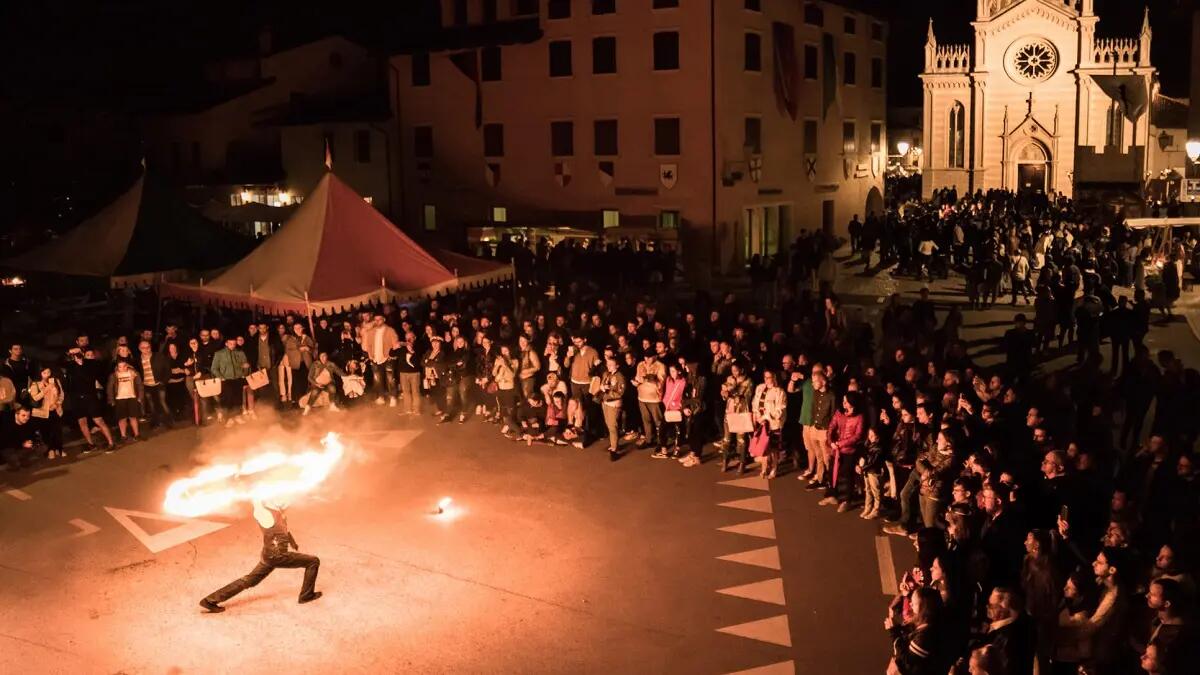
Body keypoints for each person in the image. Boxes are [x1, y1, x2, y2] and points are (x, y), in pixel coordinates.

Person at [199, 497, 321, 612]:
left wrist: (293, 543)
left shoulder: (278, 512)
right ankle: (306, 596)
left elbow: (284, 530)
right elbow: (257, 499)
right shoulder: (265, 514)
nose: (287, 502)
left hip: (269, 555)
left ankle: (210, 600)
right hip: (278, 556)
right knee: (313, 561)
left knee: (250, 581)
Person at [64, 347, 114, 451]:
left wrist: (81, 362)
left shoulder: (91, 365)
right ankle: (90, 444)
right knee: (82, 422)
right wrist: (70, 352)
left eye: (80, 355)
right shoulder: (71, 366)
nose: (77, 357)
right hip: (76, 398)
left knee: (99, 420)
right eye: (75, 355)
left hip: (90, 397)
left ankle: (111, 443)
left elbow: (90, 374)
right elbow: (60, 361)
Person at [750, 369, 786, 479]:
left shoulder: (779, 392)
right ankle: (764, 468)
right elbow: (754, 403)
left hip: (773, 424)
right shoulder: (760, 388)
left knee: (774, 448)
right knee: (763, 446)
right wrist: (757, 416)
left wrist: (766, 416)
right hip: (761, 422)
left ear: (774, 378)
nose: (766, 380)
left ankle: (774, 469)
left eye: (769, 377)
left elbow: (780, 409)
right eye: (765, 377)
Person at [361, 313, 399, 407]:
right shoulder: (371, 332)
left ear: (384, 319)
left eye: (380, 319)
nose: (378, 321)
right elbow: (368, 345)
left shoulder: (390, 330)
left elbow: (395, 344)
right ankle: (381, 397)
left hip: (387, 358)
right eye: (376, 319)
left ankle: (393, 397)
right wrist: (370, 355)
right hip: (375, 359)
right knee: (377, 380)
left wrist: (392, 353)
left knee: (390, 379)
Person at [210, 337, 249, 427]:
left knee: (238, 398)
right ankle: (229, 418)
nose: (232, 345)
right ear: (226, 343)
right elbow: (214, 368)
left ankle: (237, 416)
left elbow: (245, 365)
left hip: (238, 379)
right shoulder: (219, 354)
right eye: (230, 343)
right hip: (226, 379)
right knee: (228, 399)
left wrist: (244, 372)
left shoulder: (240, 353)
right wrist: (221, 377)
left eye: (234, 344)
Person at [28, 367, 65, 460]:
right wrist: (46, 389)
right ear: (40, 373)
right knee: (47, 432)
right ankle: (50, 450)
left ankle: (59, 449)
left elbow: (61, 394)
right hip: (42, 412)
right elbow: (36, 398)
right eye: (44, 372)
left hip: (55, 409)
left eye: (48, 372)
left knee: (57, 431)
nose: (47, 374)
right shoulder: (35, 384)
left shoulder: (55, 381)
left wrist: (58, 404)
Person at [136, 340, 172, 428]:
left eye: (148, 347)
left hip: (159, 383)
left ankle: (169, 421)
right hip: (147, 385)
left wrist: (163, 381)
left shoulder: (159, 356)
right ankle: (155, 422)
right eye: (143, 348)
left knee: (162, 402)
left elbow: (167, 370)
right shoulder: (138, 360)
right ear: (140, 349)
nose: (146, 349)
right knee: (151, 404)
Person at [106, 360, 143, 443]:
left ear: (127, 366)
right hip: (120, 398)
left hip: (132, 397)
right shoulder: (114, 375)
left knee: (133, 417)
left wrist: (140, 397)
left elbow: (139, 385)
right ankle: (123, 436)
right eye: (120, 366)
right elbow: (110, 388)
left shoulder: (134, 373)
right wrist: (111, 399)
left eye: (124, 366)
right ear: (117, 367)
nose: (122, 368)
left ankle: (137, 434)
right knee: (122, 418)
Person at [598, 356, 626, 461]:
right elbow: (602, 384)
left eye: (611, 364)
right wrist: (601, 387)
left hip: (614, 403)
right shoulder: (606, 374)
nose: (608, 366)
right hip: (605, 402)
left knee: (613, 425)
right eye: (607, 364)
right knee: (609, 424)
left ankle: (614, 448)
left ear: (617, 366)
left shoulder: (620, 377)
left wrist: (608, 390)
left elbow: (620, 393)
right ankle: (613, 443)